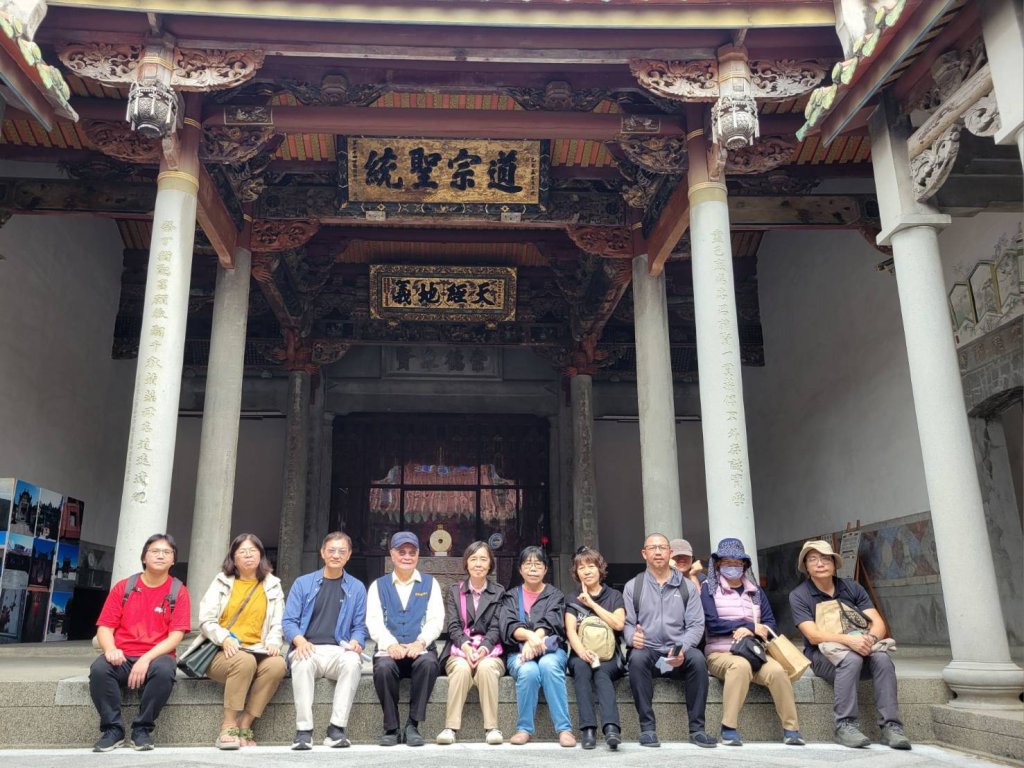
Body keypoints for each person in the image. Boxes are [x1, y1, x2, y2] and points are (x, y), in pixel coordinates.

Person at [789, 539, 911, 750]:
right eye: (813, 559)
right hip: (822, 657)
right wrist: (850, 641)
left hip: (861, 648)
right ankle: (844, 725)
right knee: (851, 658)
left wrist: (870, 639)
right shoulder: (799, 595)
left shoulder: (852, 588)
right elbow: (814, 635)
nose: (820, 563)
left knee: (882, 658)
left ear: (834, 563)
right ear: (806, 567)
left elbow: (878, 622)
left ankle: (891, 727)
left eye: (826, 558)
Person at [89, 533, 191, 752]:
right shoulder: (124, 587)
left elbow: (176, 636)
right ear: (144, 557)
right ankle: (113, 730)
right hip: (122, 655)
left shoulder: (178, 591)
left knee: (164, 671)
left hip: (156, 657)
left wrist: (146, 658)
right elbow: (105, 627)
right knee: (99, 669)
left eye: (167, 552)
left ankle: (142, 729)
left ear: (174, 560)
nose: (161, 556)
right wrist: (111, 649)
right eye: (155, 551)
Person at [184, 533, 286, 749]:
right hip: (221, 652)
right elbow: (206, 619)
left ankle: (245, 722)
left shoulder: (273, 585)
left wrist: (275, 641)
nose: (248, 556)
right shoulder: (222, 581)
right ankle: (228, 724)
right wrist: (225, 638)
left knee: (278, 665)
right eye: (242, 552)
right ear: (233, 557)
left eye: (253, 551)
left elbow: (278, 622)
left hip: (258, 650)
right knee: (244, 661)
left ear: (261, 555)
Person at [700, 537, 804, 747]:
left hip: (755, 651)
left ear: (745, 565)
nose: (733, 567)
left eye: (738, 563)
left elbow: (770, 626)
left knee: (777, 672)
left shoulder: (755, 592)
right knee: (739, 666)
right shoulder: (709, 589)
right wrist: (748, 626)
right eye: (728, 563)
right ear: (718, 564)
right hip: (721, 653)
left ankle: (791, 729)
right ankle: (728, 728)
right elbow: (712, 624)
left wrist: (754, 631)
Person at [623, 533, 716, 748]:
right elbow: (627, 623)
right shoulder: (633, 586)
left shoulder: (687, 587)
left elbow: (696, 625)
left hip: (678, 651)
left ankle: (697, 729)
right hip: (649, 651)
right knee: (636, 659)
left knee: (699, 660)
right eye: (652, 548)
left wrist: (680, 648)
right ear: (644, 553)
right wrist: (631, 637)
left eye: (662, 548)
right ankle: (647, 729)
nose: (657, 552)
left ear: (670, 553)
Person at [282, 531, 368, 751]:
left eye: (342, 551)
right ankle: (303, 731)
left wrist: (357, 642)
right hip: (308, 647)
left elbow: (359, 626)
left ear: (348, 555)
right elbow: (289, 621)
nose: (336, 555)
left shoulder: (356, 587)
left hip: (339, 649)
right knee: (301, 662)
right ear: (322, 553)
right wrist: (300, 641)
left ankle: (336, 729)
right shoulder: (303, 584)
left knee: (352, 662)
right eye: (331, 550)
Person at [366, 531, 444, 747]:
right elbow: (373, 621)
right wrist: (390, 644)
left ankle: (412, 724)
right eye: (402, 552)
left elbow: (436, 620)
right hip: (389, 651)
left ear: (418, 555)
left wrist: (421, 642)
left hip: (419, 650)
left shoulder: (430, 584)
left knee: (429, 663)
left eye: (412, 552)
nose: (407, 557)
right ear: (392, 555)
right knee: (383, 669)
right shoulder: (378, 586)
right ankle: (391, 727)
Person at [499, 546, 575, 747]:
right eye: (528, 564)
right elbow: (509, 625)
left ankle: (564, 729)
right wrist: (529, 637)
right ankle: (524, 728)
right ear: (520, 569)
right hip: (519, 651)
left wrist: (535, 639)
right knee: (529, 671)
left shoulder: (555, 595)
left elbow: (553, 621)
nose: (533, 568)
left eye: (538, 564)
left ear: (545, 569)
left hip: (551, 650)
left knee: (548, 666)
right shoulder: (511, 596)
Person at [435, 541, 506, 746]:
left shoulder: (499, 592)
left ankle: (492, 728)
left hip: (491, 651)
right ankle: (450, 728)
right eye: (473, 559)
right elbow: (454, 626)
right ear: (466, 563)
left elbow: (496, 627)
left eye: (483, 559)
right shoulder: (455, 591)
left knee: (486, 669)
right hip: (459, 650)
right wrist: (466, 646)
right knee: (461, 669)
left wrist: (484, 647)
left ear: (490, 564)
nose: (478, 564)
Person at [564, 546, 625, 750]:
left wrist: (591, 604)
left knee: (601, 673)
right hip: (581, 654)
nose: (587, 571)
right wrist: (582, 652)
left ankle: (611, 729)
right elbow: (570, 631)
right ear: (576, 572)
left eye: (591, 566)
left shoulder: (614, 595)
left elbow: (618, 624)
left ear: (600, 569)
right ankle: (588, 729)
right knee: (581, 669)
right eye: (582, 567)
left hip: (609, 656)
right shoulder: (571, 598)